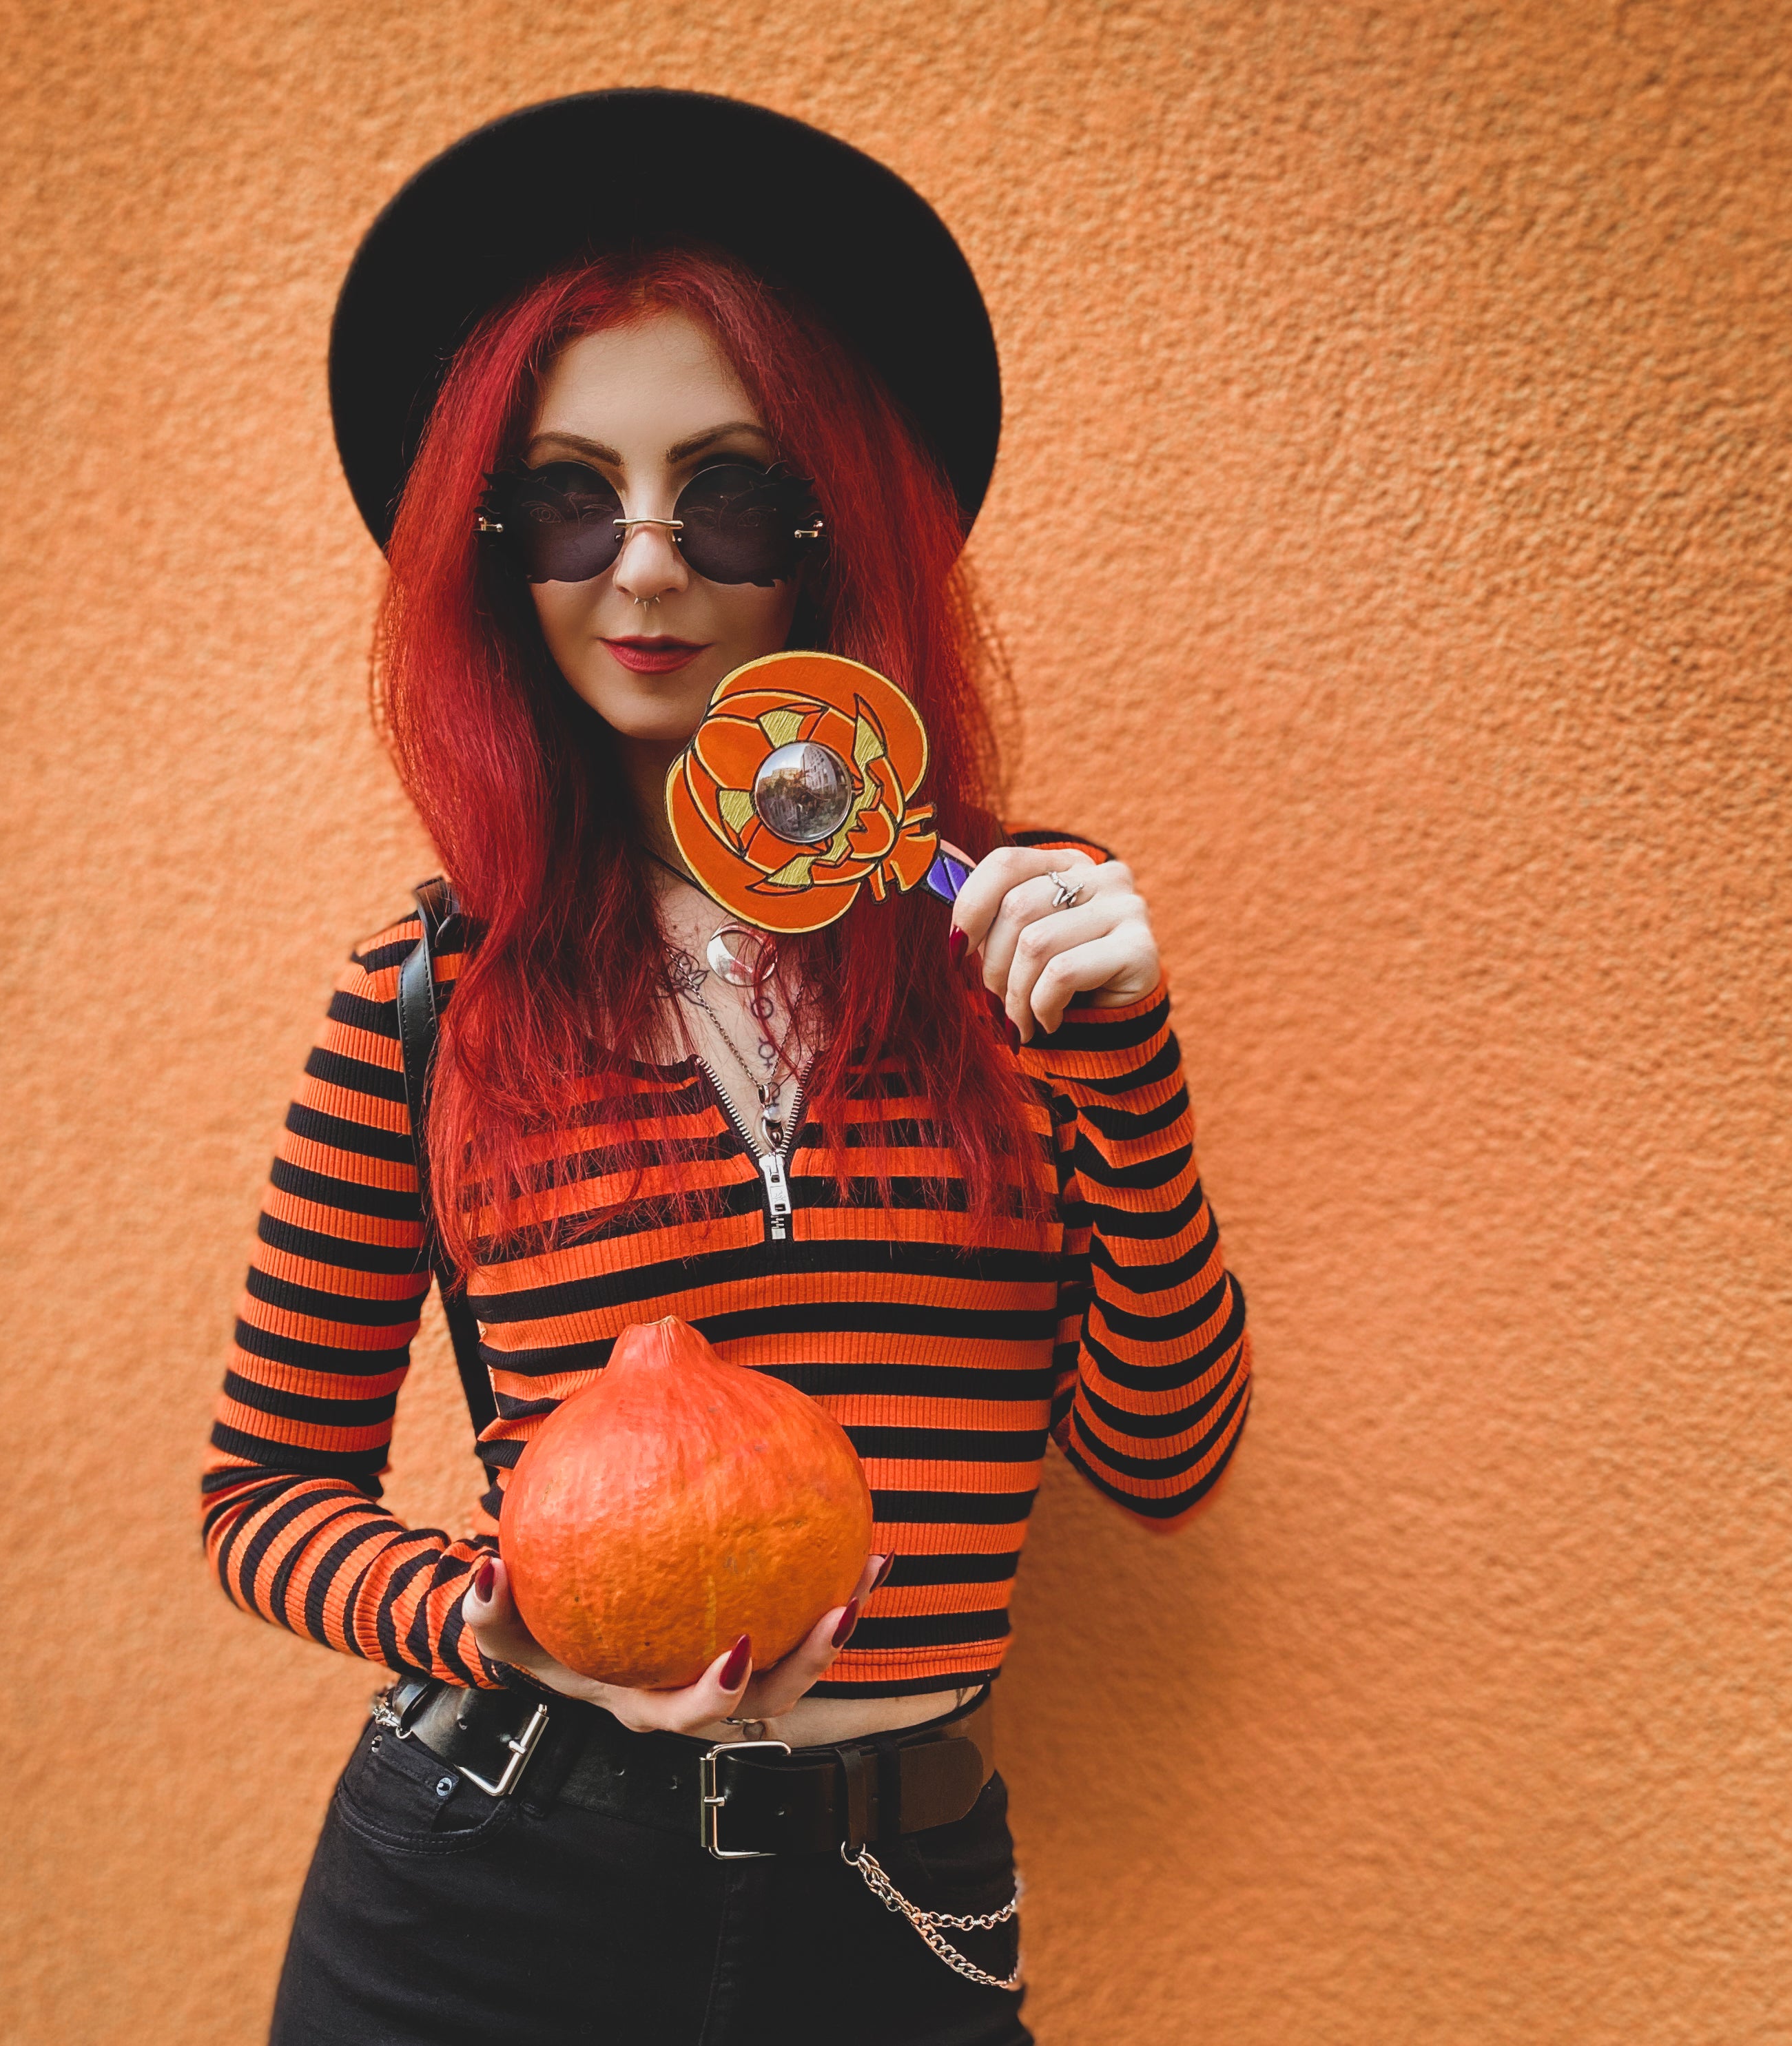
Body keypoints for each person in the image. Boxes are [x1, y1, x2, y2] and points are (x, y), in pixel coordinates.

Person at [204, 90, 1251, 2046]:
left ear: (830, 527)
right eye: (570, 500)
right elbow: (263, 1488)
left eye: (734, 492)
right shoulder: (424, 997)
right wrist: (487, 1614)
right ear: (495, 553)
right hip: (485, 1895)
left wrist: (1119, 1066)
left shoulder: (1017, 936)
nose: (649, 567)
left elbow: (1164, 1463)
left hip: (893, 1897)